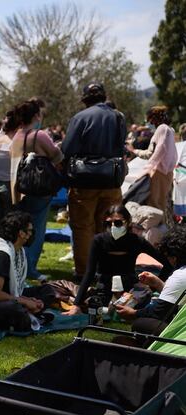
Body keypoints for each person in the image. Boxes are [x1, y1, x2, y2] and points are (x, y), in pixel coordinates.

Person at [61, 83, 126, 279]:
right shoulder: (118, 117)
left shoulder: (80, 117)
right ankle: (106, 269)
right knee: (108, 226)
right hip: (111, 181)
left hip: (84, 182)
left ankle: (84, 272)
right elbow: (121, 147)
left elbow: (67, 149)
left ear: (85, 99)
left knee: (83, 227)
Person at [66, 205, 173, 313]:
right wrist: (76, 304)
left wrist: (157, 285)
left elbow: (166, 263)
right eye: (108, 223)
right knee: (68, 290)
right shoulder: (99, 240)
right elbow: (89, 272)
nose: (113, 226)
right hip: (104, 287)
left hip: (129, 288)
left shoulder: (136, 241)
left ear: (127, 222)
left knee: (136, 301)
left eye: (118, 223)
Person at [10, 99, 63, 282]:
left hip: (21, 188)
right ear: (36, 115)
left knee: (22, 229)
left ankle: (18, 265)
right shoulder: (39, 135)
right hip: (40, 187)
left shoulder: (16, 136)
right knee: (37, 229)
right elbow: (57, 156)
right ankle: (30, 268)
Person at [114, 226, 186, 336]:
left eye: (167, 256)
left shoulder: (180, 275)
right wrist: (157, 283)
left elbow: (159, 311)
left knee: (141, 324)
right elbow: (177, 297)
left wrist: (133, 313)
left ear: (174, 257)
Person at [126, 106, 178, 219]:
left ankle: (156, 229)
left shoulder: (162, 129)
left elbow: (159, 150)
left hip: (158, 172)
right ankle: (163, 227)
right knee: (162, 204)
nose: (149, 123)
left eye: (149, 119)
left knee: (154, 205)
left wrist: (147, 169)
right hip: (167, 173)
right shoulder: (170, 130)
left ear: (154, 118)